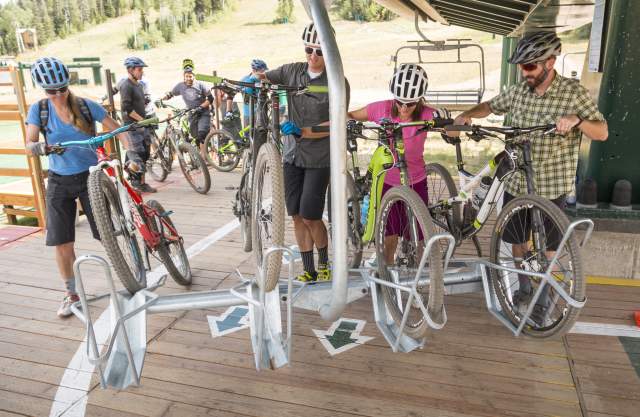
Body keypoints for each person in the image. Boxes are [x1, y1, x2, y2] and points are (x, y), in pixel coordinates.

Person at [453, 31, 608, 320]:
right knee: (517, 240)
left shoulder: (573, 92)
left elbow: (602, 132)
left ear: (550, 62)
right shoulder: (518, 91)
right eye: (521, 67)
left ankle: (544, 301)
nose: (524, 73)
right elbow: (490, 106)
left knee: (549, 248)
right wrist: (467, 115)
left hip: (551, 183)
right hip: (516, 180)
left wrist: (577, 120)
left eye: (529, 66)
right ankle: (524, 288)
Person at [24, 57, 130, 317]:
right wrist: (37, 147)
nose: (59, 95)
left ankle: (128, 279)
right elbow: (29, 143)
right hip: (59, 180)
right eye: (52, 91)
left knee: (106, 235)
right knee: (63, 242)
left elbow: (118, 130)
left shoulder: (85, 106)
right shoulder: (39, 110)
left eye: (63, 88)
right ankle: (71, 293)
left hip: (90, 177)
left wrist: (133, 154)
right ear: (43, 90)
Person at [260, 22, 350, 282]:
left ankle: (324, 263)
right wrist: (253, 79)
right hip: (292, 155)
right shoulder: (292, 71)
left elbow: (339, 120)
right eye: (309, 49)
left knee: (311, 214)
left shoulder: (337, 80)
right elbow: (265, 76)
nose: (313, 56)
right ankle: (308, 270)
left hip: (320, 157)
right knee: (296, 215)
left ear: (330, 52)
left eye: (319, 52)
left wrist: (307, 130)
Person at [348, 63, 438, 265]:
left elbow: (448, 124)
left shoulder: (427, 114)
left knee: (418, 235)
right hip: (388, 181)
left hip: (416, 180)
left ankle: (416, 271)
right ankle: (387, 276)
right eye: (400, 102)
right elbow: (352, 115)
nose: (404, 108)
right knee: (390, 238)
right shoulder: (384, 108)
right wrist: (343, 121)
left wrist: (454, 126)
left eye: (411, 104)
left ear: (420, 100)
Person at [160, 59, 213, 160]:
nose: (189, 78)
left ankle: (204, 158)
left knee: (202, 134)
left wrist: (200, 107)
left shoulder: (200, 85)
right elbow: (170, 94)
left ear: (194, 76)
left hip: (203, 112)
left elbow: (210, 98)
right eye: (187, 76)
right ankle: (199, 153)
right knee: (195, 135)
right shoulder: (180, 86)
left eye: (190, 76)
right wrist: (162, 98)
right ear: (183, 77)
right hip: (192, 113)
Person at [119, 56, 157, 193]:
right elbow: (126, 108)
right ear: (130, 70)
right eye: (140, 69)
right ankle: (134, 184)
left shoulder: (139, 85)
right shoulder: (125, 86)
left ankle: (142, 183)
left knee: (146, 153)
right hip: (132, 127)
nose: (142, 72)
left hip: (143, 124)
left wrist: (148, 118)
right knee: (138, 155)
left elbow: (142, 103)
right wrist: (141, 120)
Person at [240, 59, 268, 128]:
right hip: (248, 114)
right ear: (254, 70)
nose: (264, 73)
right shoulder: (244, 79)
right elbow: (232, 91)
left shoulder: (263, 79)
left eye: (264, 71)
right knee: (248, 136)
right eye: (262, 71)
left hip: (261, 113)